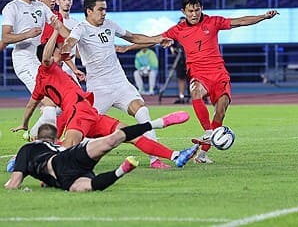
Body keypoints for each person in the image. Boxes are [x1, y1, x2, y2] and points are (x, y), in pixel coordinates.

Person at [120, 0, 279, 163]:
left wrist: (263, 16)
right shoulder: (178, 30)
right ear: (184, 11)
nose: (194, 14)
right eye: (190, 11)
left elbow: (239, 21)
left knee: (220, 112)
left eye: (197, 10)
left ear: (201, 8)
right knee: (195, 92)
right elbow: (152, 40)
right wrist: (126, 49)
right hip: (198, 73)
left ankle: (202, 155)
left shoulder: (213, 21)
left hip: (219, 73)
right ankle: (208, 131)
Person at [10, 28, 197, 168]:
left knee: (132, 134)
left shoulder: (42, 83)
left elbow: (31, 105)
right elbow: (46, 57)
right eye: (56, 50)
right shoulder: (46, 69)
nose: (60, 51)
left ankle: (175, 156)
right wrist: (55, 32)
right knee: (65, 150)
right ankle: (25, 162)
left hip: (89, 112)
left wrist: (25, 124)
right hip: (79, 112)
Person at [60, 0, 174, 169]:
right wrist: (66, 49)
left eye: (105, 9)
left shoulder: (110, 25)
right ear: (89, 11)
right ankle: (61, 154)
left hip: (120, 84)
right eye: (100, 9)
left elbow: (133, 37)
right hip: (98, 89)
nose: (104, 13)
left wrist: (157, 40)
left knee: (142, 112)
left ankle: (155, 160)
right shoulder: (81, 28)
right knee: (84, 130)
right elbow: (70, 42)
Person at [5, 121, 196, 191]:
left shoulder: (27, 149)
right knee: (111, 141)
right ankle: (156, 123)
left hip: (63, 176)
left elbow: (14, 183)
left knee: (87, 187)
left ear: (37, 137)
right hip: (71, 157)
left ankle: (121, 171)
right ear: (55, 139)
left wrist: (11, 183)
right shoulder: (56, 147)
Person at [1, 0, 58, 137]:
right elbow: (5, 36)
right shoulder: (12, 8)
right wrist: (27, 34)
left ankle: (32, 135)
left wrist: (75, 37)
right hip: (22, 60)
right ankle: (38, 144)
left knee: (57, 104)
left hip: (35, 59)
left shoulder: (40, 6)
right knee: (50, 103)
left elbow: (58, 25)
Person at [170, 17, 188, 104]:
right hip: (180, 59)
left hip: (193, 58)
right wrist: (172, 49)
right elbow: (171, 44)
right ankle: (181, 97)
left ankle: (201, 97)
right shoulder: (176, 34)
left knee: (196, 78)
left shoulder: (195, 32)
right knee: (181, 78)